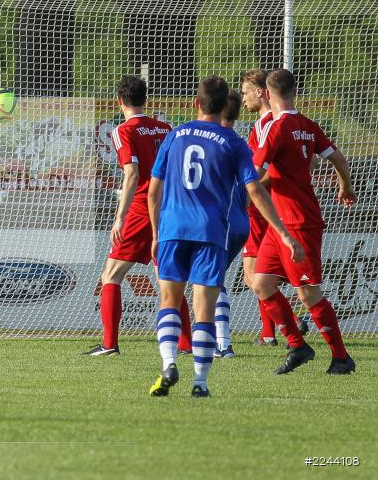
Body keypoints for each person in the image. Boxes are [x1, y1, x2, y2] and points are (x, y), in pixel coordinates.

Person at [147, 76, 303, 398]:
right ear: (225, 107)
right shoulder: (233, 143)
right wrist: (283, 232)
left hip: (173, 229)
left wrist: (155, 232)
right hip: (211, 232)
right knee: (203, 306)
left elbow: (153, 191)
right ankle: (200, 382)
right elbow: (255, 190)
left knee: (169, 301)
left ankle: (168, 363)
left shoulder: (175, 135)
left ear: (196, 103)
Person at [251, 69, 357, 375]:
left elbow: (256, 170)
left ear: (268, 94)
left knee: (307, 291)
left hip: (299, 220)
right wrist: (345, 186)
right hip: (281, 222)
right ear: (294, 92)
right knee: (262, 283)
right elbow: (338, 158)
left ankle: (341, 357)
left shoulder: (276, 127)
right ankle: (298, 346)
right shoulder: (308, 126)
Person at [84, 75, 186, 356]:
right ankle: (187, 343)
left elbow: (132, 174)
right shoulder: (166, 128)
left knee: (111, 275)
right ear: (146, 99)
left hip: (142, 208)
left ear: (120, 100)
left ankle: (109, 344)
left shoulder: (123, 131)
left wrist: (119, 217)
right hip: (170, 208)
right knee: (168, 278)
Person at [240, 69, 308, 346]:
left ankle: (278, 329)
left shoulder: (268, 125)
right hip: (272, 207)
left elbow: (261, 174)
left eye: (245, 92)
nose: (242, 98)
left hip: (260, 209)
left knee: (254, 276)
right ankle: (271, 332)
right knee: (258, 276)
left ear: (261, 92)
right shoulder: (276, 123)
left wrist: (249, 193)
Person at [211, 90, 252, 358]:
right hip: (239, 220)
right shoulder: (241, 144)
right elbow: (250, 193)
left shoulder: (214, 143)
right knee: (213, 279)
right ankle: (219, 341)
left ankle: (223, 344)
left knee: (211, 281)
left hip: (220, 222)